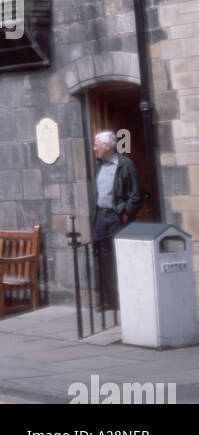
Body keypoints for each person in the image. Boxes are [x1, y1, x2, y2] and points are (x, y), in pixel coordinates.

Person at [91, 130, 143, 309]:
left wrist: (126, 212)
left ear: (107, 146)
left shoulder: (125, 165)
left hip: (116, 217)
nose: (94, 148)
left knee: (121, 257)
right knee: (102, 259)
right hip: (100, 217)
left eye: (96, 145)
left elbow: (136, 194)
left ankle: (127, 298)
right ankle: (109, 299)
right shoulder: (100, 165)